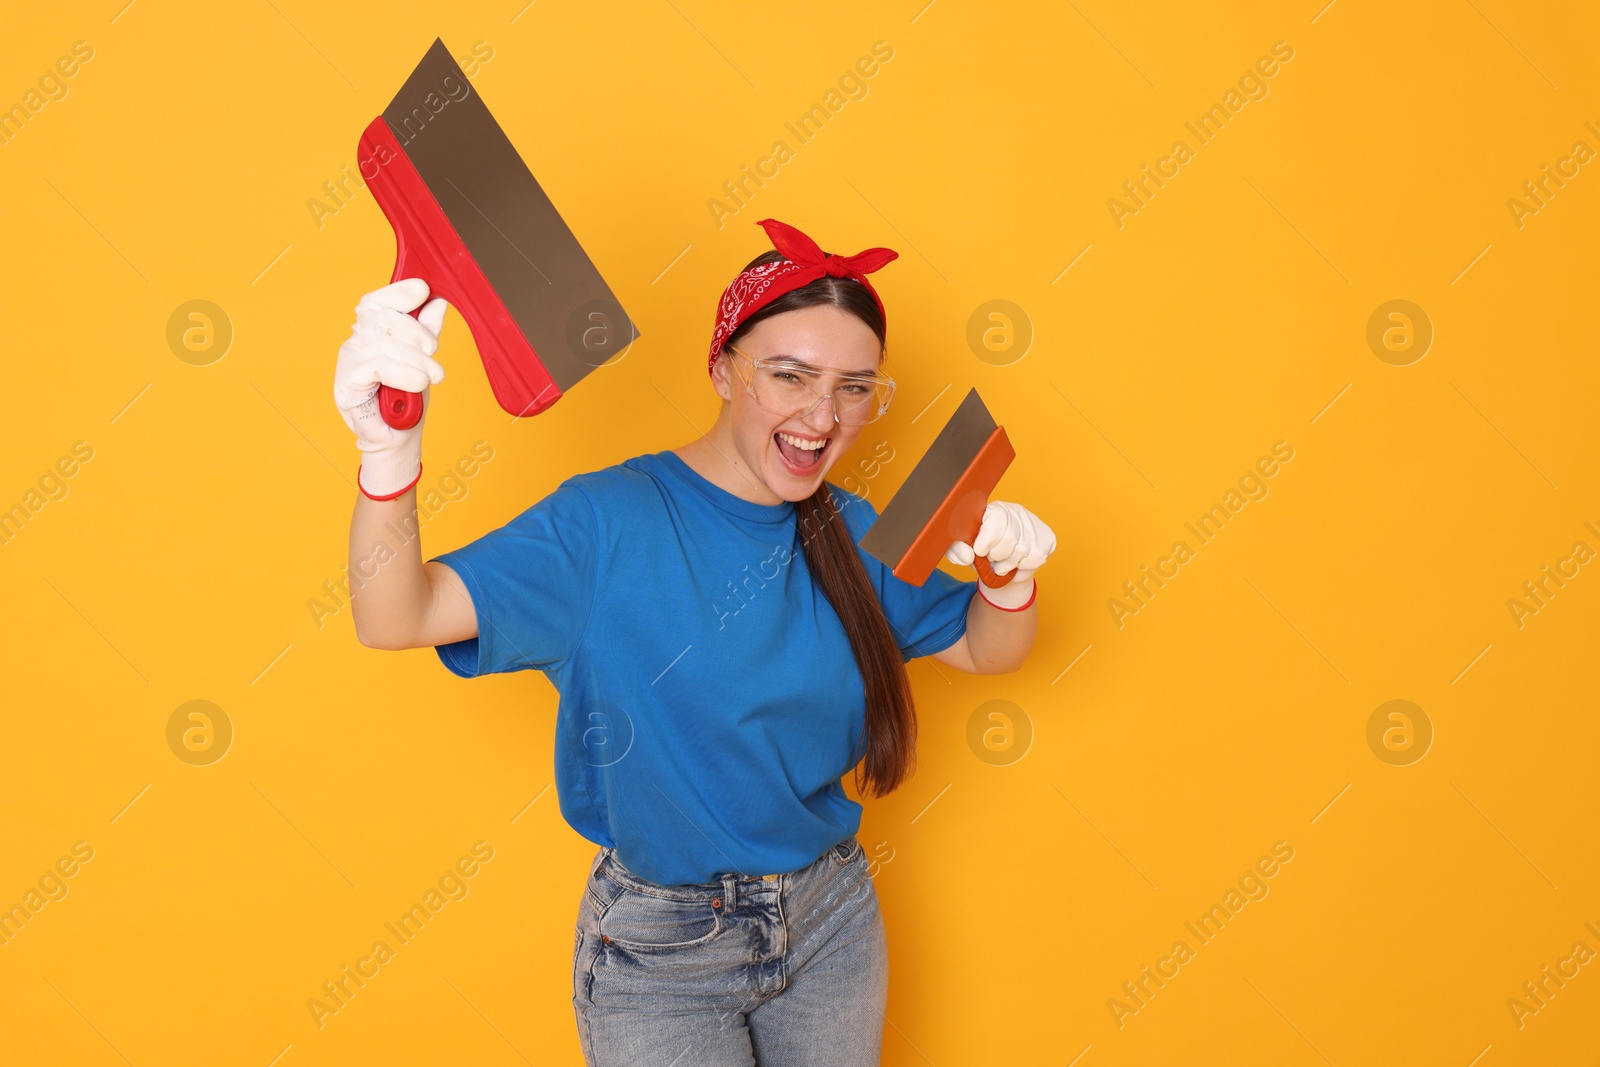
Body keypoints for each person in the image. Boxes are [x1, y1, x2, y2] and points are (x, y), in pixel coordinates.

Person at [334, 218, 1057, 1066]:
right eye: (789, 375)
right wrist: (389, 454)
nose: (824, 415)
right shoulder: (605, 522)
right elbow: (395, 616)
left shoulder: (855, 530)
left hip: (831, 919)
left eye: (855, 387)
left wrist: (1010, 581)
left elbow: (986, 649)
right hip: (661, 951)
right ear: (722, 367)